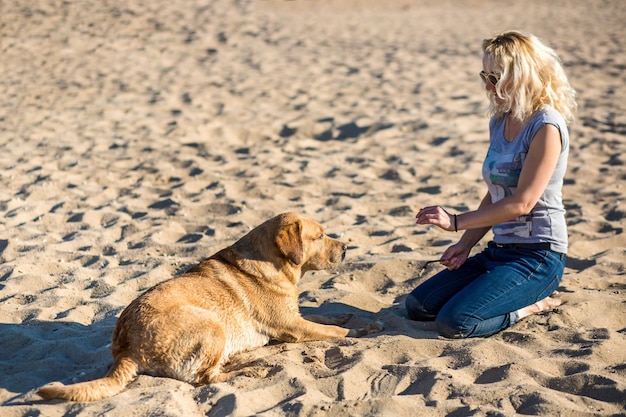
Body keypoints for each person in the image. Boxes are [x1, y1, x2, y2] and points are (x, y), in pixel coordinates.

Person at [405, 31, 577, 339]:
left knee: (454, 323)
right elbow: (496, 193)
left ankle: (531, 306)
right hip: (499, 251)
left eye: (494, 76)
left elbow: (521, 203)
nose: (487, 84)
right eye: (484, 74)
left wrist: (455, 221)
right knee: (418, 306)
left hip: (538, 256)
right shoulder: (500, 120)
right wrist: (465, 244)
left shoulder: (546, 126)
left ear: (520, 76)